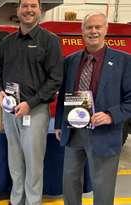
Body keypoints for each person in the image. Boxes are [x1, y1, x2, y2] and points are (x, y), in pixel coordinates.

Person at [54, 11, 131, 205]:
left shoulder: (124, 61)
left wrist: (111, 115)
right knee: (70, 181)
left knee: (103, 186)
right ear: (82, 31)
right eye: (89, 27)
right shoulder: (70, 61)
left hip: (105, 132)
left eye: (98, 27)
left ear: (106, 30)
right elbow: (63, 94)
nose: (93, 31)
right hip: (74, 131)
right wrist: (58, 123)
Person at [0, 0, 63, 204]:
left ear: (40, 10)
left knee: (33, 162)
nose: (29, 10)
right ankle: (16, 200)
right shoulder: (7, 42)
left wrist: (30, 104)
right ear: (18, 10)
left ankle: (33, 201)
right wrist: (0, 92)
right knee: (15, 160)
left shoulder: (50, 41)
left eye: (33, 5)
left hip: (34, 111)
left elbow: (55, 79)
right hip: (10, 112)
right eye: (25, 5)